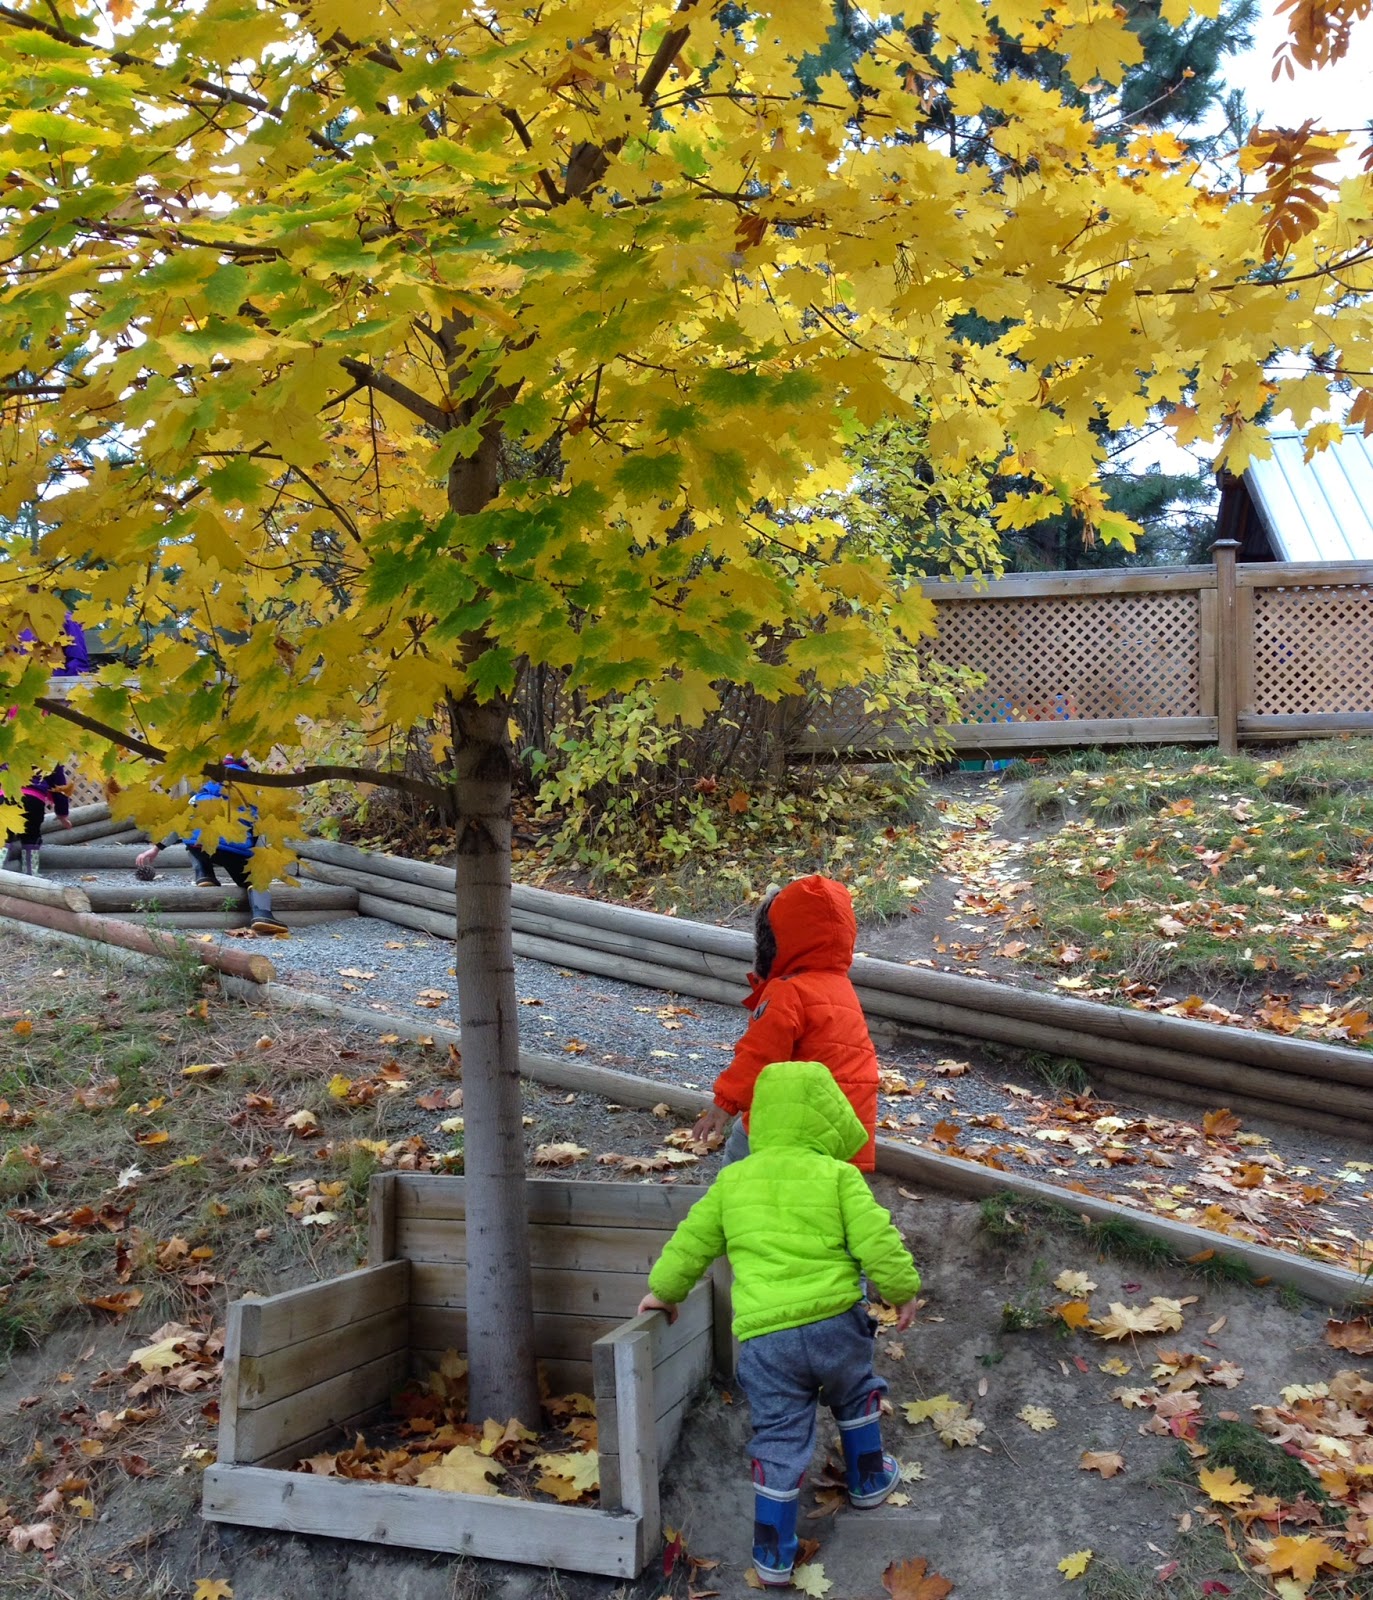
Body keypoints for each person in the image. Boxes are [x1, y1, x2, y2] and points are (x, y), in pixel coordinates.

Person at [638, 1060, 922, 1586]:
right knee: (857, 1389)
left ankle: (772, 1554)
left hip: (767, 1340)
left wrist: (663, 1292)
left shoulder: (732, 1181)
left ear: (760, 1121)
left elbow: (692, 1243)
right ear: (826, 1117)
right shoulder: (839, 1176)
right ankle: (867, 1481)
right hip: (836, 1322)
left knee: (778, 1436)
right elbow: (877, 1239)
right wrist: (901, 1290)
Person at [693, 875, 879, 1169]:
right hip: (848, 1128)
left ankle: (728, 1207)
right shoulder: (843, 989)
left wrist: (724, 1104)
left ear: (777, 940)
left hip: (799, 1122)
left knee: (742, 1145)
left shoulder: (788, 990)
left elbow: (760, 1055)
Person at [135, 758, 288, 936]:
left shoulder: (201, 792)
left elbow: (180, 823)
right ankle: (262, 914)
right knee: (256, 880)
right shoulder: (252, 798)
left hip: (200, 844)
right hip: (233, 849)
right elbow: (259, 834)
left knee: (193, 839)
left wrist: (156, 848)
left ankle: (204, 874)